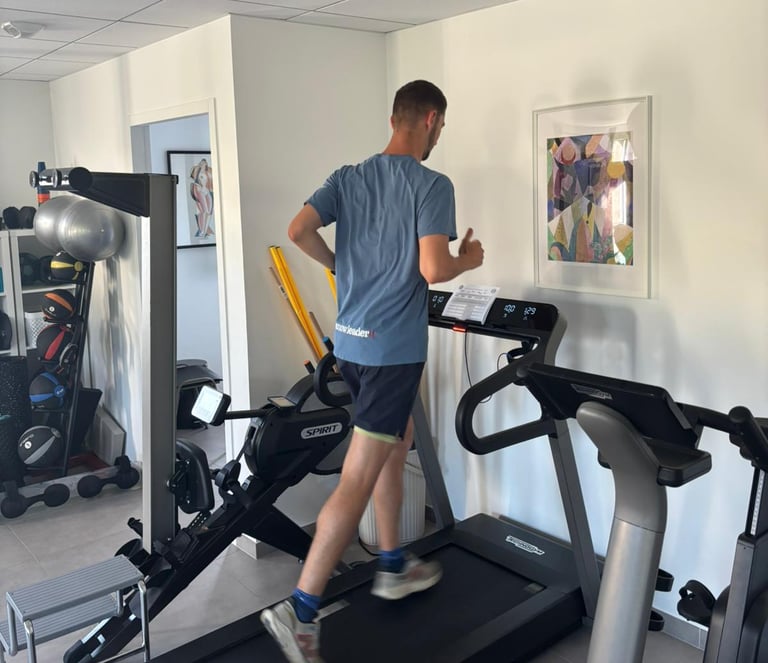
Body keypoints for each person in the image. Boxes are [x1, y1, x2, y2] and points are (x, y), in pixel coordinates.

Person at [261, 80, 484, 663]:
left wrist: (342, 266)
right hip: (392, 354)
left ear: (393, 119)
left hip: (352, 345)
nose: (439, 136)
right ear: (431, 120)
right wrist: (469, 259)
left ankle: (391, 563)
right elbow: (433, 269)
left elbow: (297, 231)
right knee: (358, 475)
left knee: (394, 443)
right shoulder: (432, 184)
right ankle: (300, 610)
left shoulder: (348, 177)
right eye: (441, 126)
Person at [190, 158, 214, 238]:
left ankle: (205, 230)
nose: (203, 165)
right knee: (204, 210)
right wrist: (198, 186)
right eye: (202, 163)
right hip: (200, 190)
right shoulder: (197, 171)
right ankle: (202, 230)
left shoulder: (208, 172)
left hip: (206, 190)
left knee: (209, 211)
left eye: (204, 163)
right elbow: (194, 179)